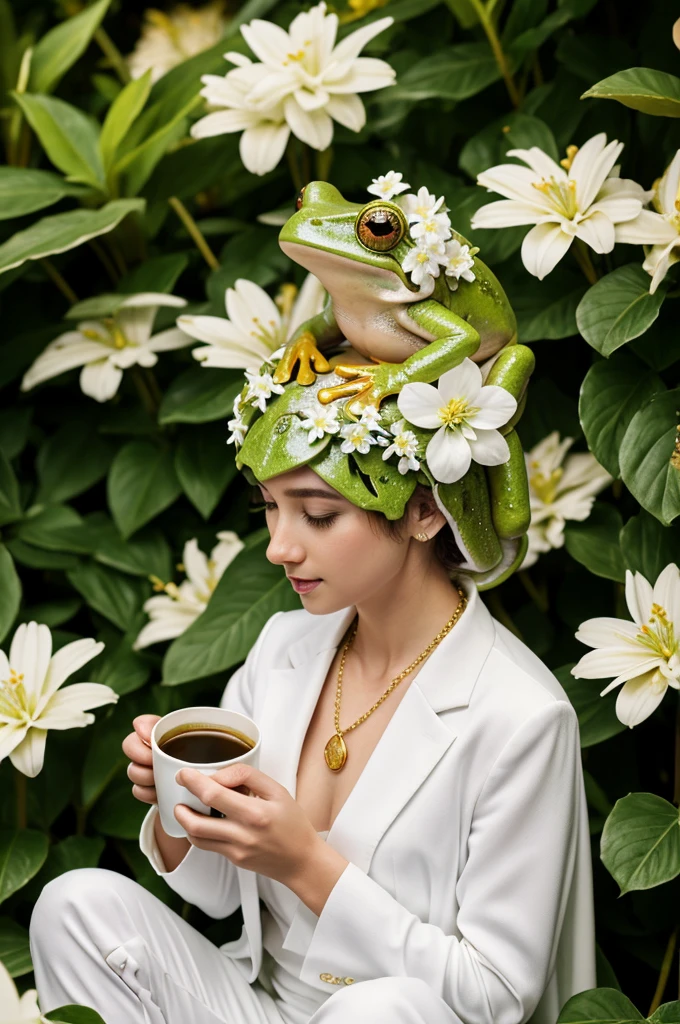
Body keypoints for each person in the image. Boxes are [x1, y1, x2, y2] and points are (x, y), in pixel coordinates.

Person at [29, 293, 596, 1024]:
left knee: (379, 1013)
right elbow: (216, 891)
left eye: (318, 515)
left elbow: (492, 997)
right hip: (260, 1006)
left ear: (426, 511)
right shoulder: (283, 648)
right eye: (269, 506)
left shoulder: (521, 718)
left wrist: (307, 864)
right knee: (75, 905)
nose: (279, 547)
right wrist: (182, 814)